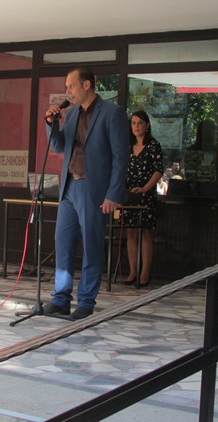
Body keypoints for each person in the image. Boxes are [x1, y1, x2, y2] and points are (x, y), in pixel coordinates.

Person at [43, 67, 129, 320]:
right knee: (63, 242)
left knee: (91, 246)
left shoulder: (112, 113)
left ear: (87, 85)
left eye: (71, 86)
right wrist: (51, 124)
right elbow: (59, 146)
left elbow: (121, 157)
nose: (67, 91)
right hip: (69, 187)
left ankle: (86, 302)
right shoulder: (70, 114)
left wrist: (113, 194)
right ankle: (60, 299)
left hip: (93, 189)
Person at [122, 111, 163, 287]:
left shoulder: (153, 145)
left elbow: (159, 170)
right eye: (133, 123)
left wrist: (145, 188)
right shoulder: (127, 146)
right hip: (129, 194)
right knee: (130, 231)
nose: (136, 126)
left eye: (140, 123)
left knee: (144, 231)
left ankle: (145, 272)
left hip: (146, 194)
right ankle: (133, 271)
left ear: (146, 125)